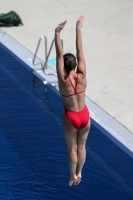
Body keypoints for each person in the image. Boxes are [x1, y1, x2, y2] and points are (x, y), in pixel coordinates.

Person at [55, 15, 91, 186]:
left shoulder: (63, 81)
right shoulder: (82, 76)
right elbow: (80, 49)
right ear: (76, 65)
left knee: (72, 148)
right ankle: (79, 172)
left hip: (71, 117)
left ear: (64, 67)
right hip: (84, 115)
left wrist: (57, 32)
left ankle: (72, 175)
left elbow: (58, 53)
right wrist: (78, 28)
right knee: (82, 147)